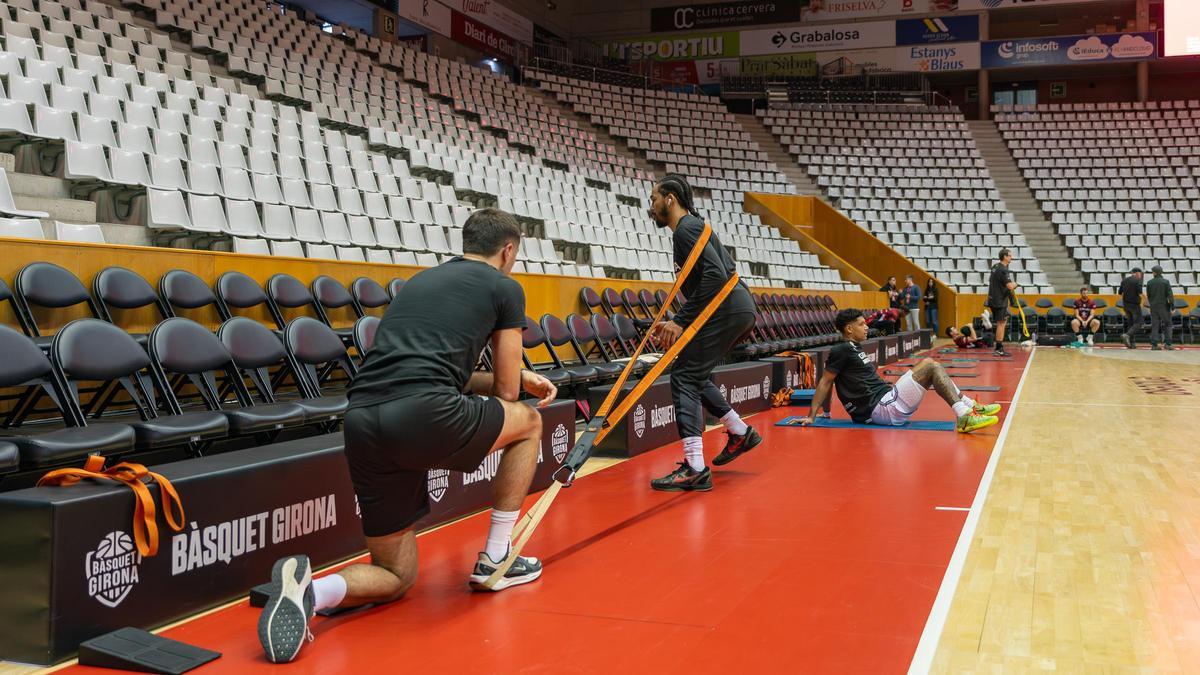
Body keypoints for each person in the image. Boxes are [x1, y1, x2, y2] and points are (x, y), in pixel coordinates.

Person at [255, 209, 559, 664]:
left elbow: (431, 370)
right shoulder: (504, 286)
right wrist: (520, 380)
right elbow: (507, 392)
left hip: (362, 419)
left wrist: (515, 377)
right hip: (424, 412)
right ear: (508, 250)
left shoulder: (419, 283)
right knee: (530, 422)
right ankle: (497, 557)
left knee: (396, 576)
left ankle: (310, 593)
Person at [645, 174, 760, 492]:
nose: (650, 206)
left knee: (683, 376)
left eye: (654, 199)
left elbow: (715, 276)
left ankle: (695, 467)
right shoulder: (691, 228)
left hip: (728, 307)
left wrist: (680, 320)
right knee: (695, 374)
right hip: (734, 308)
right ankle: (739, 431)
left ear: (670, 198)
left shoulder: (686, 229)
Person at [797, 309, 1001, 433]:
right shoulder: (841, 349)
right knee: (929, 364)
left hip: (885, 403)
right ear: (849, 329)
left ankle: (969, 407)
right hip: (881, 409)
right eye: (861, 324)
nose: (866, 327)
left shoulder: (853, 349)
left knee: (933, 367)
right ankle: (965, 414)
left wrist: (827, 412)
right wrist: (812, 416)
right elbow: (826, 381)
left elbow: (833, 380)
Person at [986, 249, 1017, 357]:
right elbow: (1010, 286)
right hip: (999, 301)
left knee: (1001, 322)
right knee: (1001, 323)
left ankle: (998, 347)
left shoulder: (995, 267)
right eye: (1009, 255)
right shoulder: (1004, 270)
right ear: (1004, 257)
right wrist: (1015, 284)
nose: (1011, 257)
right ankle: (999, 349)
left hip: (991, 299)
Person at [1146, 265, 1175, 350]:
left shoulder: (1149, 282)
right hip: (1164, 307)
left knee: (1155, 325)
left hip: (1154, 307)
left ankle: (1154, 345)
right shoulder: (1165, 282)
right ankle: (1168, 344)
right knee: (1168, 324)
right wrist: (1172, 307)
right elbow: (1170, 296)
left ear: (1154, 273)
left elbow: (1149, 296)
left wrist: (1152, 304)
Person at [1118, 267, 1147, 349]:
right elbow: (1140, 293)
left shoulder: (1124, 280)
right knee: (1139, 322)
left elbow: (1120, 293)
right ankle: (1127, 335)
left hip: (1126, 305)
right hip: (1134, 305)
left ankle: (1132, 344)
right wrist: (1147, 300)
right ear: (1137, 273)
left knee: (1130, 324)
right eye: (1141, 273)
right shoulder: (1138, 281)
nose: (1141, 275)